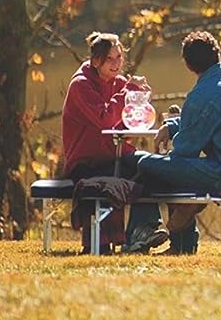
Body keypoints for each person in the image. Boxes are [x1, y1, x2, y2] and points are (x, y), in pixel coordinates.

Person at [135, 31, 221, 254]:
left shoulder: (202, 95)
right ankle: (181, 241)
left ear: (188, 65)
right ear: (217, 54)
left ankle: (144, 234)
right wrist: (172, 126)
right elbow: (210, 118)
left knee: (147, 164)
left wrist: (168, 147)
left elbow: (185, 149)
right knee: (177, 170)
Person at [61, 32, 164, 253]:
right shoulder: (80, 85)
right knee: (138, 169)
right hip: (86, 164)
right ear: (95, 60)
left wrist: (139, 109)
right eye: (110, 59)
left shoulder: (119, 83)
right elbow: (105, 119)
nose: (117, 64)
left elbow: (124, 128)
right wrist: (129, 92)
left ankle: (141, 232)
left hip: (114, 155)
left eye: (119, 57)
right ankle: (132, 236)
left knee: (152, 165)